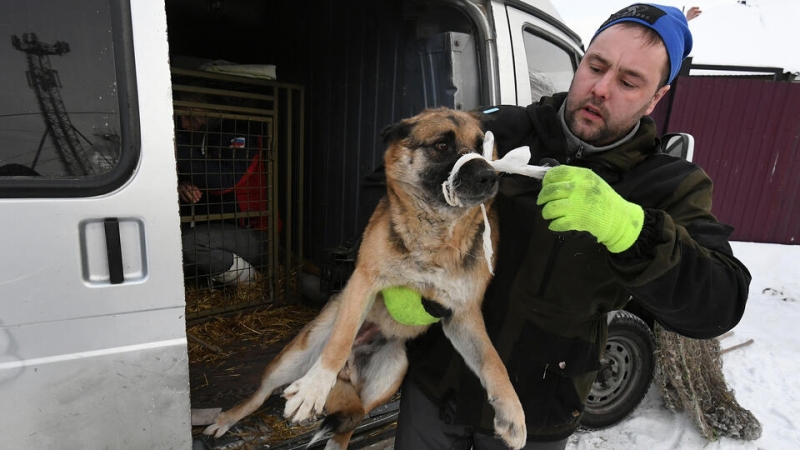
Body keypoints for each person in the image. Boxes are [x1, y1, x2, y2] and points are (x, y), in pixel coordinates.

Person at [382, 4, 751, 450]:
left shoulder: (668, 184)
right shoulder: (503, 129)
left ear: (656, 97)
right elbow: (388, 170)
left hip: (538, 410)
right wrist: (402, 271)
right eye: (596, 66)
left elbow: (719, 303)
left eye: (629, 82)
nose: (601, 88)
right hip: (437, 385)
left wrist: (629, 229)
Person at [174, 94, 270, 286]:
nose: (184, 125)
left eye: (190, 117)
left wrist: (176, 147)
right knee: (174, 250)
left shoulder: (240, 135)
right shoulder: (206, 137)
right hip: (219, 229)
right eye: (180, 118)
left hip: (255, 233)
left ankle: (255, 285)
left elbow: (224, 181)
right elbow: (204, 175)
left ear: (210, 110)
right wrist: (183, 184)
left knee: (191, 244)